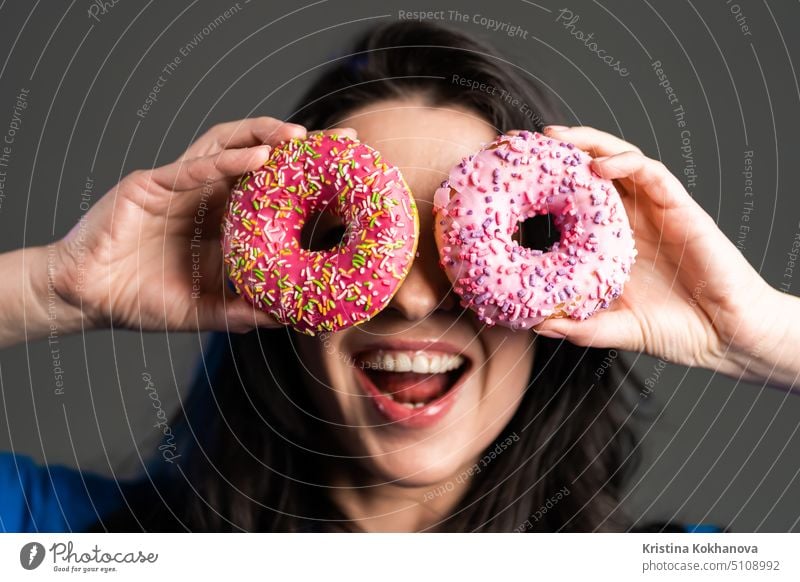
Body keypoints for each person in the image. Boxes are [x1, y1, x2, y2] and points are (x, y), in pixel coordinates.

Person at [1, 22, 797, 533]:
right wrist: (50, 289)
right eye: (342, 239)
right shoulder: (72, 539)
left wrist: (756, 331)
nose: (415, 295)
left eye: (461, 246)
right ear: (273, 286)